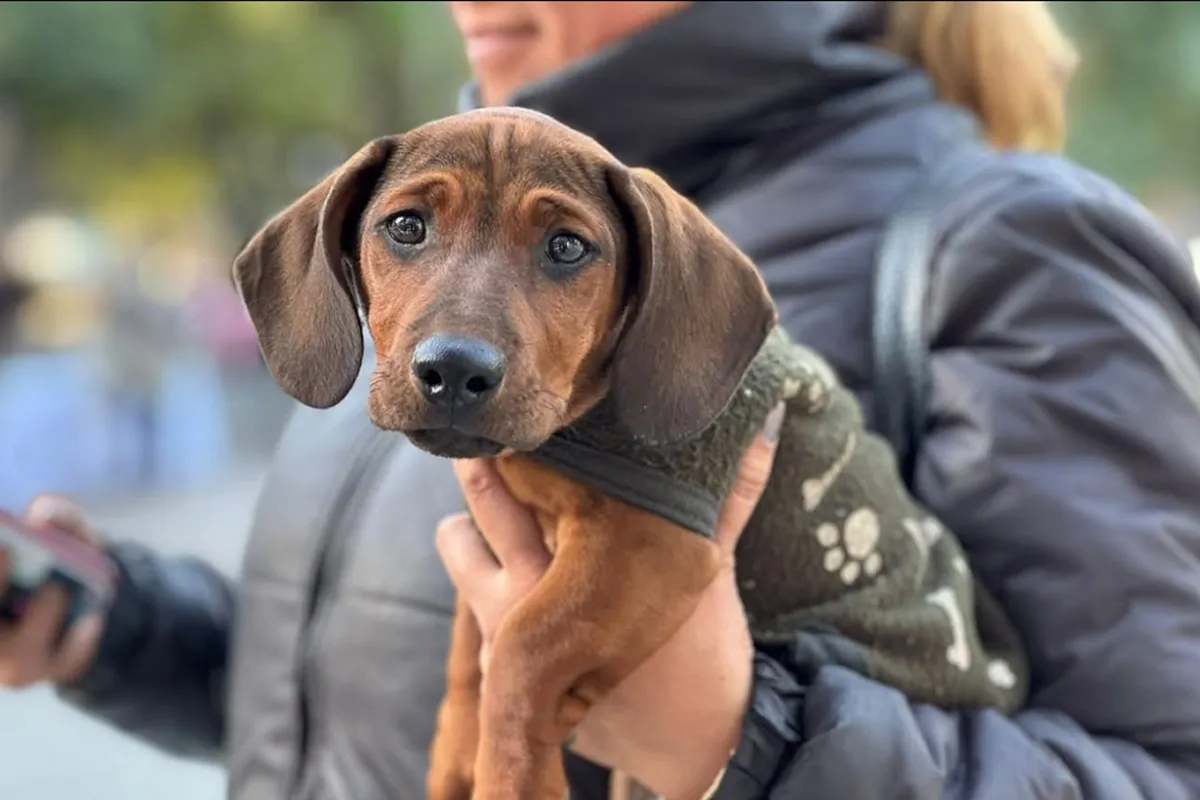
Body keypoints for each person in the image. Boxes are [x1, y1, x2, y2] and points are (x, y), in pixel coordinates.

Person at [2, 2, 1199, 798]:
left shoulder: (1013, 246)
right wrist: (114, 626)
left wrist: (740, 740)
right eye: (410, 234)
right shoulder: (419, 217)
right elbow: (339, 691)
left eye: (565, 250)